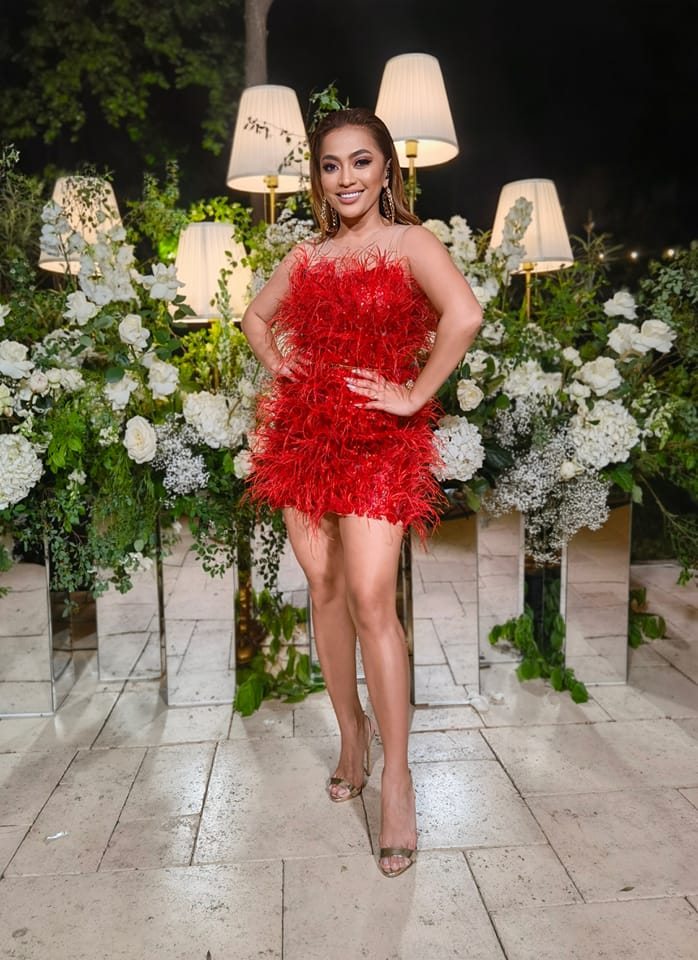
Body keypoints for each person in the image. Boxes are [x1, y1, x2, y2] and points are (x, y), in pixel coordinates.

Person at [241, 107, 482, 878]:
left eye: (360, 161)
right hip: (304, 438)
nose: (345, 177)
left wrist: (413, 394)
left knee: (374, 596)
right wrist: (281, 369)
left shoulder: (411, 243)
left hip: (378, 440)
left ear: (386, 171)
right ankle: (353, 735)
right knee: (325, 586)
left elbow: (465, 315)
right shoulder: (308, 256)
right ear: (317, 178)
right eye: (330, 164)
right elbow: (254, 318)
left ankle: (399, 782)